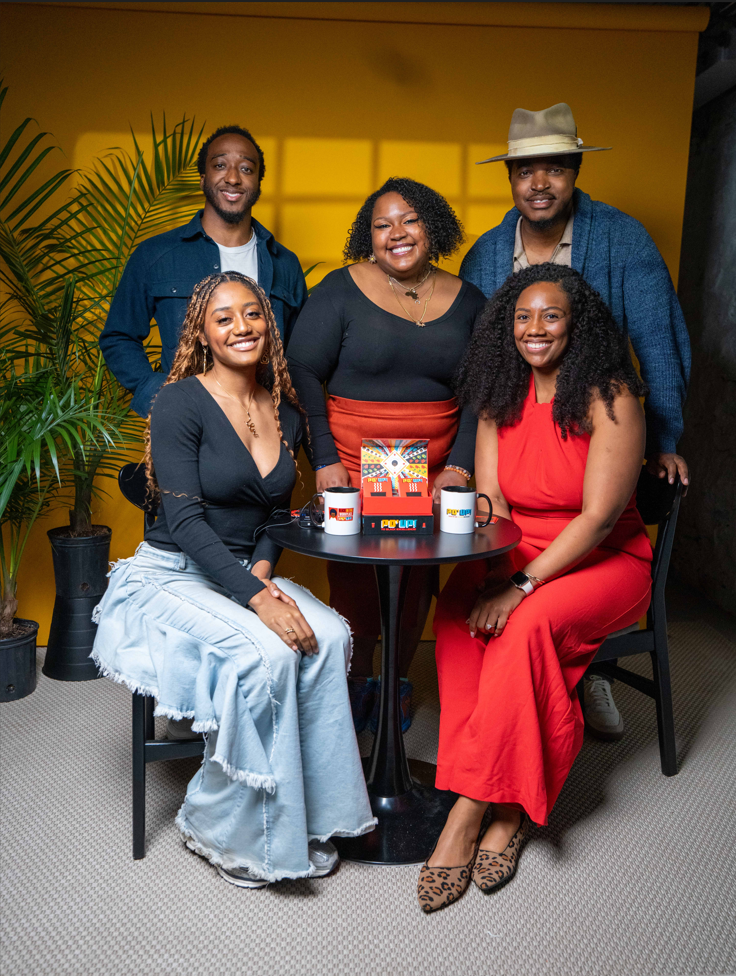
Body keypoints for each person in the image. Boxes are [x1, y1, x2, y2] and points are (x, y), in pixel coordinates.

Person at [91, 272, 375, 887]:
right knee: (268, 654)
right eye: (224, 318)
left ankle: (309, 820)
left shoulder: (285, 407)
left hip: (245, 570)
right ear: (203, 332)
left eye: (253, 314)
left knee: (326, 638)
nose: (242, 327)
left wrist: (262, 577)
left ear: (268, 325)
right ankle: (225, 830)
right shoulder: (179, 402)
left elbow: (276, 515)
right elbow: (185, 522)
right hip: (172, 572)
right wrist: (256, 601)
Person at [416, 264, 653, 913]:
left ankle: (470, 813)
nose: (535, 329)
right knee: (460, 611)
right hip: (518, 544)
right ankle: (504, 799)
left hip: (602, 558)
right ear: (507, 327)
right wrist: (492, 564)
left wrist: (518, 585)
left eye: (551, 315)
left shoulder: (611, 397)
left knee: (525, 627)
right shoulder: (500, 392)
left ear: (577, 324)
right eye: (523, 317)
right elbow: (490, 496)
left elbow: (599, 518)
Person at [459, 102, 690, 741]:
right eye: (526, 170)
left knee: (587, 541)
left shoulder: (622, 238)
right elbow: (475, 357)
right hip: (516, 423)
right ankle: (507, 703)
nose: (540, 184)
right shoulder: (484, 254)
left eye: (555, 169)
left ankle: (590, 668)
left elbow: (658, 337)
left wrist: (664, 438)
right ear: (510, 179)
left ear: (575, 172)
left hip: (599, 430)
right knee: (481, 580)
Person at [287, 178, 487, 734]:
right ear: (366, 236)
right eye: (381, 225)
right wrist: (322, 456)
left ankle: (397, 680)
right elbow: (302, 371)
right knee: (355, 572)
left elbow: (481, 390)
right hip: (352, 457)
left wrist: (462, 466)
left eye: (409, 221)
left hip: (437, 463)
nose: (396, 234)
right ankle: (355, 677)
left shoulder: (470, 300)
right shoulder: (340, 289)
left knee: (416, 571)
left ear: (434, 227)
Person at [100, 125, 307, 418]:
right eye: (220, 165)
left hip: (267, 427)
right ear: (203, 178)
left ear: (258, 182)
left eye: (246, 169)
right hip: (186, 427)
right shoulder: (155, 255)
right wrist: (157, 392)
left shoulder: (285, 263)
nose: (233, 178)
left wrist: (291, 418)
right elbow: (118, 336)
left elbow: (300, 357)